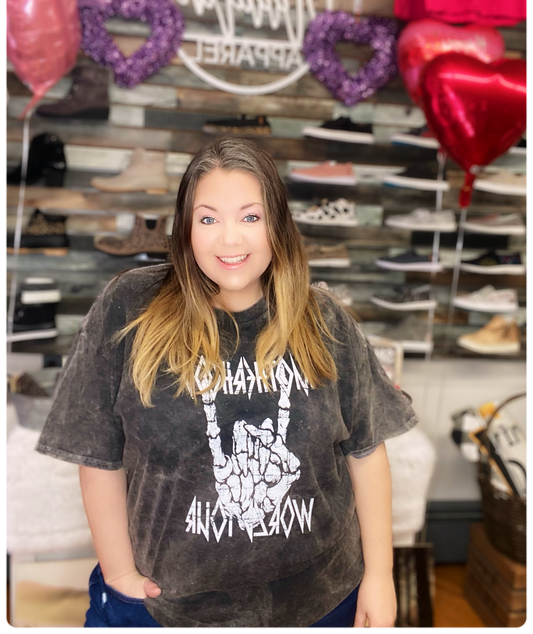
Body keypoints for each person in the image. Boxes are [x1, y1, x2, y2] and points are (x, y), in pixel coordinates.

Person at [36, 138, 418, 629]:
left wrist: (380, 575)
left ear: (277, 225)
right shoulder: (130, 307)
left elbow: (365, 450)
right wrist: (120, 573)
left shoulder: (324, 320)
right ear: (185, 228)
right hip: (167, 607)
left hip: (319, 602)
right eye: (208, 219)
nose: (230, 240)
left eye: (250, 217)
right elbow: (97, 452)